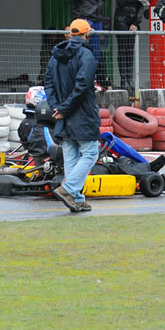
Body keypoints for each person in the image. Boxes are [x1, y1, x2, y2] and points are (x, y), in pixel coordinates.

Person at [43, 19, 100, 213]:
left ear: (70, 34)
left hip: (63, 116)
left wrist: (56, 108)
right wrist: (65, 108)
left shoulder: (55, 56)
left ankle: (76, 198)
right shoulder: (86, 55)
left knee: (71, 157)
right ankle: (68, 189)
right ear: (86, 34)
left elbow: (48, 83)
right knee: (91, 152)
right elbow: (82, 86)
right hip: (82, 114)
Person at [65, 0, 109, 88]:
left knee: (96, 51)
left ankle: (92, 79)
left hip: (97, 18)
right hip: (83, 18)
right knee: (81, 49)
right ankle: (80, 78)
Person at [113, 0, 148, 94]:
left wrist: (136, 23)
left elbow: (141, 5)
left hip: (133, 22)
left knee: (130, 50)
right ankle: (124, 80)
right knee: (123, 50)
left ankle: (130, 79)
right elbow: (120, 2)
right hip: (121, 20)